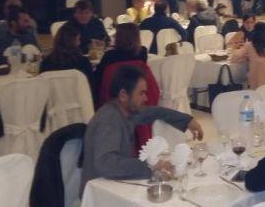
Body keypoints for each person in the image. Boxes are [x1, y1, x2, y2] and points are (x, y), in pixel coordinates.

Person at [81, 65, 203, 193]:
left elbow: (154, 112)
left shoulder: (125, 110)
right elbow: (106, 164)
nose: (146, 98)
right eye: (141, 93)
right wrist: (151, 167)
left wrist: (187, 120)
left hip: (115, 183)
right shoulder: (109, 120)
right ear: (123, 95)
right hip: (100, 191)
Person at [40, 23, 96, 101]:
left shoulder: (46, 62)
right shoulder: (83, 61)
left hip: (54, 102)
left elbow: (41, 88)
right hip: (80, 102)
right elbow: (91, 87)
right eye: (78, 39)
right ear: (74, 41)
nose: (79, 43)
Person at [95, 23, 148, 103]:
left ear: (119, 37)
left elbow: (99, 77)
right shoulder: (142, 52)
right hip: (136, 91)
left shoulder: (110, 55)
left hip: (113, 95)